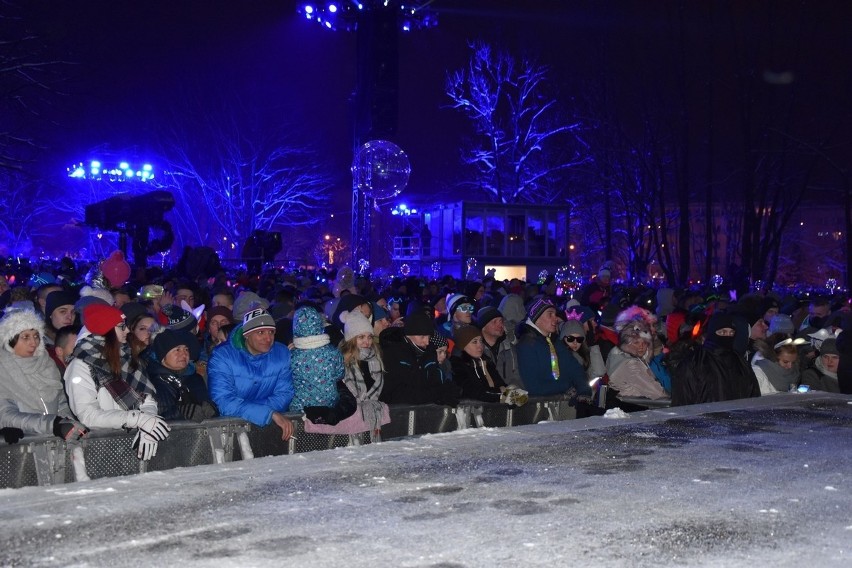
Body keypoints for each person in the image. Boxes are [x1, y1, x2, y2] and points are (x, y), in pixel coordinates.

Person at [65, 304, 170, 461]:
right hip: (99, 451)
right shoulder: (80, 365)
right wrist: (138, 420)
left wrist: (149, 423)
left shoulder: (127, 357)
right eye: (121, 327)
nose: (127, 331)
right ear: (106, 332)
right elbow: (88, 415)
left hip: (131, 447)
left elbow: (147, 398)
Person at [0, 308, 88, 444]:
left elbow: (61, 402)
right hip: (22, 447)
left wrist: (69, 423)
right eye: (25, 337)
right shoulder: (3, 369)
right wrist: (52, 424)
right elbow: (6, 414)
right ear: (10, 339)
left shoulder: (47, 364)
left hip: (54, 444)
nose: (33, 342)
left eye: (36, 336)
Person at [207, 309, 295, 441]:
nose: (268, 338)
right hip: (230, 432)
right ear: (246, 334)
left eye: (271, 332)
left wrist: (260, 412)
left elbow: (284, 394)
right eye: (261, 332)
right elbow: (223, 401)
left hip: (269, 429)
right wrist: (267, 413)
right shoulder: (223, 356)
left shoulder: (281, 354)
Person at [670, 313, 761, 406]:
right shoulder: (694, 363)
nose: (727, 336)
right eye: (722, 332)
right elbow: (683, 400)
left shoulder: (740, 362)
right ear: (712, 333)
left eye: (731, 333)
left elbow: (753, 396)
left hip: (739, 419)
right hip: (705, 419)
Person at [379, 310, 460, 406]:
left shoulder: (430, 353)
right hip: (399, 414)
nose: (426, 342)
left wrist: (446, 390)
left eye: (428, 337)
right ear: (409, 334)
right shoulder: (393, 354)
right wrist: (437, 394)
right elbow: (398, 393)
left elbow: (436, 382)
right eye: (422, 337)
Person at [516, 298, 591, 399]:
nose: (555, 318)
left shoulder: (555, 341)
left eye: (555, 314)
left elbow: (574, 368)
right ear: (537, 319)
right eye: (550, 314)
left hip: (561, 402)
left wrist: (584, 390)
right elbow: (534, 387)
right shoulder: (527, 345)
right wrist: (566, 387)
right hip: (539, 407)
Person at [146, 329, 218, 422]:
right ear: (163, 356)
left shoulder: (196, 379)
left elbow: (207, 405)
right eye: (177, 349)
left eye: (186, 349)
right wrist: (180, 413)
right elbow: (150, 418)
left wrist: (212, 410)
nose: (184, 354)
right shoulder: (152, 381)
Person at [450, 324, 527, 405]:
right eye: (474, 342)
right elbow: (474, 391)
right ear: (463, 345)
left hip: (493, 413)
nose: (480, 346)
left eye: (481, 341)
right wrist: (504, 395)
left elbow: (500, 385)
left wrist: (509, 390)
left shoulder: (486, 361)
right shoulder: (456, 365)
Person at [605, 321, 669, 400]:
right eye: (636, 342)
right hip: (632, 409)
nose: (641, 347)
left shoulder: (618, 354)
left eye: (645, 343)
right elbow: (658, 394)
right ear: (627, 343)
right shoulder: (631, 365)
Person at [476, 305, 524, 389]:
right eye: (494, 322)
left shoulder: (509, 347)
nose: (500, 325)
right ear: (483, 327)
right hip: (487, 398)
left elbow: (518, 375)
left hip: (510, 395)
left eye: (501, 321)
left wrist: (514, 386)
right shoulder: (476, 350)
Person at [558, 312, 605, 384]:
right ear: (563, 338)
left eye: (579, 339)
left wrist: (593, 347)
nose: (575, 342)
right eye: (570, 338)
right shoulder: (559, 357)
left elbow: (600, 372)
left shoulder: (584, 355)